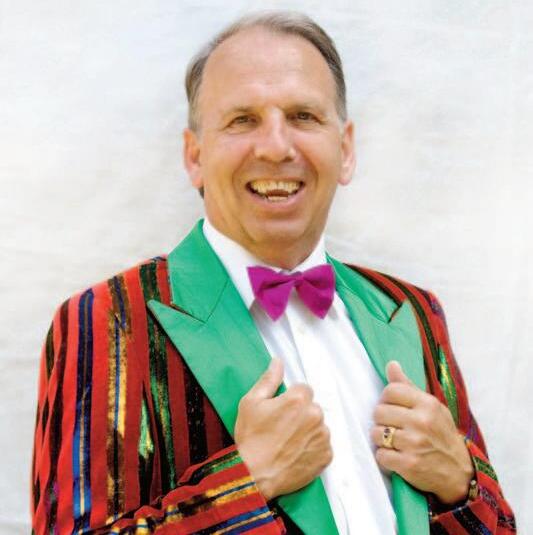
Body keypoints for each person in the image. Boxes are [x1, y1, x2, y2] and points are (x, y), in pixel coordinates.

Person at [31, 11, 516, 535]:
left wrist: (460, 482)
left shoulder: (414, 312)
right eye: (243, 120)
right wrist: (245, 483)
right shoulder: (110, 319)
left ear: (345, 149)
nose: (277, 147)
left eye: (304, 116)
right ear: (194, 156)